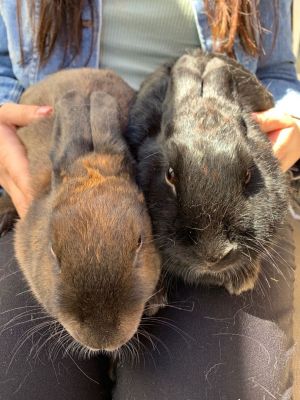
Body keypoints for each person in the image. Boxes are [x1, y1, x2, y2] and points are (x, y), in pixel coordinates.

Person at [0, 1, 299, 399]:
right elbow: (5, 66)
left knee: (205, 386)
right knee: (26, 382)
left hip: (203, 182)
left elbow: (278, 74)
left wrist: (281, 126)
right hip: (61, 164)